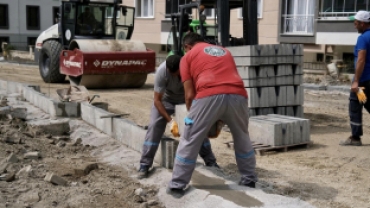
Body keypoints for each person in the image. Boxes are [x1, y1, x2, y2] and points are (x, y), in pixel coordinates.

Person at [167, 33, 257, 198]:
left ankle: (177, 185)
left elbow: (189, 95)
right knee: (242, 136)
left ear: (187, 47)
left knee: (189, 138)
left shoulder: (187, 58)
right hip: (238, 94)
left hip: (209, 94)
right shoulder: (224, 51)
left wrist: (192, 117)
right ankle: (249, 179)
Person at [138, 55, 219, 178]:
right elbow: (157, 101)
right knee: (154, 126)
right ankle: (145, 164)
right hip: (166, 101)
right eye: (172, 74)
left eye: (176, 74)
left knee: (197, 126)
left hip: (185, 99)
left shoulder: (192, 70)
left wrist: (193, 114)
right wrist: (171, 122)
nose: (174, 76)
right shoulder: (162, 71)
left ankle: (210, 161)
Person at [340, 11, 370, 146]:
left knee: (355, 105)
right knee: (366, 102)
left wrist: (356, 81)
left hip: (362, 81)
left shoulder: (363, 38)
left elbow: (361, 60)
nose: (354, 25)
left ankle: (355, 138)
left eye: (356, 23)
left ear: (362, 23)